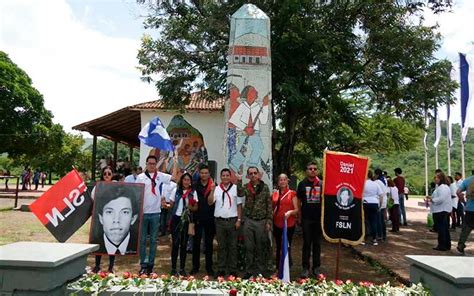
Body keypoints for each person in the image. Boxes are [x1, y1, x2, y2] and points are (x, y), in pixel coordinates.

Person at [135, 155, 178, 275]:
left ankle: (151, 265)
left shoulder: (160, 176)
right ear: (146, 164)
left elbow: (173, 178)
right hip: (143, 212)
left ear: (156, 164)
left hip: (155, 213)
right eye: (150, 163)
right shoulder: (140, 177)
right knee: (143, 240)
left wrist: (174, 163)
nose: (152, 165)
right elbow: (136, 194)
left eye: (154, 163)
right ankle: (143, 264)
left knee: (154, 240)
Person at [236, 166, 272, 279]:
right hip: (249, 221)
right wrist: (239, 180)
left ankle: (261, 270)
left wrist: (269, 221)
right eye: (250, 173)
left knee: (261, 246)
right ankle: (249, 270)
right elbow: (240, 193)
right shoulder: (247, 187)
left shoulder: (264, 187)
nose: (253, 175)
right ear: (248, 175)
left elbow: (269, 205)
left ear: (258, 174)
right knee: (249, 247)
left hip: (261, 221)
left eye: (255, 173)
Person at [209, 168, 243, 277]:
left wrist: (238, 219)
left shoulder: (235, 188)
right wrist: (212, 190)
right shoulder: (217, 189)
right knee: (222, 246)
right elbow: (210, 202)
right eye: (223, 175)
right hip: (219, 221)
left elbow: (239, 205)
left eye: (227, 175)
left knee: (233, 246)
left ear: (230, 177)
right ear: (220, 177)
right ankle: (221, 268)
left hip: (232, 220)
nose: (225, 177)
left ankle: (233, 269)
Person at [228, 86, 270, 172]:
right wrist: (245, 128)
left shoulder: (257, 106)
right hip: (243, 133)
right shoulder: (243, 106)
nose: (256, 92)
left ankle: (252, 166)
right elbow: (233, 119)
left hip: (255, 133)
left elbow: (263, 121)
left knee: (259, 148)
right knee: (242, 152)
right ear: (248, 94)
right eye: (253, 91)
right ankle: (234, 166)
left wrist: (265, 106)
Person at [93, 185, 140, 255]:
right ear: (101, 218)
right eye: (109, 212)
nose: (116, 220)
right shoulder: (94, 246)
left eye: (125, 212)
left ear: (133, 218)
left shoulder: (138, 244)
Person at [297, 162, 323, 278]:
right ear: (306, 171)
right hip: (306, 219)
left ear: (317, 171)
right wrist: (298, 216)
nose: (313, 170)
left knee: (317, 244)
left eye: (315, 169)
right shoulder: (302, 184)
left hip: (318, 219)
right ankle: (305, 268)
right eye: (310, 169)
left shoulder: (322, 184)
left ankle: (316, 268)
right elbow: (298, 201)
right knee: (307, 244)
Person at [169, 173, 198, 276]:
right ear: (181, 181)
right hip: (176, 219)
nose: (186, 182)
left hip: (186, 220)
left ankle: (182, 268)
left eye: (188, 180)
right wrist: (165, 204)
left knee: (184, 244)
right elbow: (171, 205)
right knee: (175, 244)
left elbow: (196, 208)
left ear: (190, 182)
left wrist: (190, 206)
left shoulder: (193, 192)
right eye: (184, 180)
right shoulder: (176, 191)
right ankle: (173, 268)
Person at [191, 164, 216, 276]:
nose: (204, 175)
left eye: (206, 173)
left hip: (210, 218)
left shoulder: (214, 186)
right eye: (202, 173)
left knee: (209, 244)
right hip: (198, 218)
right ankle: (195, 266)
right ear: (199, 174)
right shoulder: (195, 185)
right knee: (196, 243)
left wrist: (212, 190)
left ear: (209, 174)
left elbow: (213, 201)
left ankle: (209, 267)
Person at [272, 173, 299, 274]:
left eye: (284, 179)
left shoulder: (292, 194)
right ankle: (278, 267)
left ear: (287, 181)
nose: (282, 181)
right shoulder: (274, 194)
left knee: (286, 245)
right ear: (278, 182)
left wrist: (290, 212)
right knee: (278, 245)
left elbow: (296, 210)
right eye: (280, 180)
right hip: (277, 224)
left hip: (289, 225)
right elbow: (272, 208)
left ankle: (287, 266)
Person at [92, 166, 116, 273]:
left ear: (112, 175)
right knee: (99, 241)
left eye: (109, 173)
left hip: (113, 218)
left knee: (112, 241)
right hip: (100, 217)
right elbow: (93, 198)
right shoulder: (98, 186)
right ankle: (97, 265)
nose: (107, 175)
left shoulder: (116, 186)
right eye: (105, 173)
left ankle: (111, 267)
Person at [425, 172, 452, 251]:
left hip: (441, 210)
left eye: (437, 178)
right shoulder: (440, 187)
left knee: (441, 229)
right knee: (444, 228)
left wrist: (432, 199)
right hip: (440, 209)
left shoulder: (443, 187)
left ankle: (442, 245)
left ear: (441, 179)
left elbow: (441, 198)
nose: (435, 179)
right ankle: (446, 244)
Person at [456, 170, 474, 255]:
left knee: (466, 228)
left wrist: (463, 201)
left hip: (469, 208)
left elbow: (458, 192)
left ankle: (461, 244)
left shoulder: (467, 180)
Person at [363, 170, 383, 246]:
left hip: (365, 203)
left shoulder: (363, 184)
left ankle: (364, 239)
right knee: (374, 221)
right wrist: (380, 205)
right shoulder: (375, 184)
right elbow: (381, 196)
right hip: (375, 203)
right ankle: (374, 239)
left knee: (365, 221)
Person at [374, 169, 387, 241]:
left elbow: (379, 194)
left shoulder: (377, 182)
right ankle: (383, 235)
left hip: (380, 202)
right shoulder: (383, 181)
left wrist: (379, 204)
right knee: (382, 220)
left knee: (378, 220)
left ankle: (379, 235)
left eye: (375, 174)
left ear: (377, 175)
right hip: (384, 202)